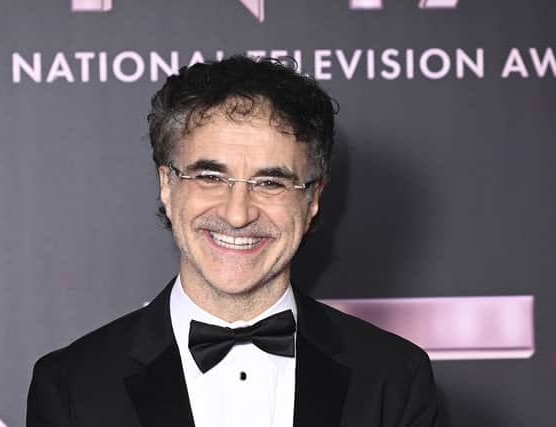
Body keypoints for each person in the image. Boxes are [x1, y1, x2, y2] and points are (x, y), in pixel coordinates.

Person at [26, 55, 439, 427]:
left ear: (312, 199)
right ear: (167, 186)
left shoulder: (395, 380)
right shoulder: (71, 387)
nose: (237, 213)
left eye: (270, 182)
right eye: (210, 177)